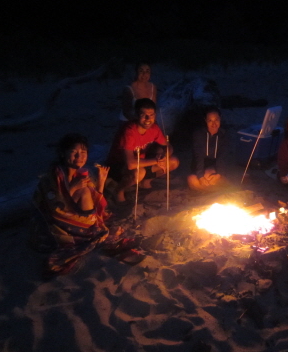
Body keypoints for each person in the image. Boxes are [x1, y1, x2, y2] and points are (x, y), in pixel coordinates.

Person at [31, 133, 144, 277]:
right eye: (74, 152)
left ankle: (92, 229)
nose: (79, 156)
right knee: (85, 194)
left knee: (86, 192)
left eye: (83, 152)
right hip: (57, 221)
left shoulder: (82, 173)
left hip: (79, 217)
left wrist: (102, 180)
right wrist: (73, 187)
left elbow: (96, 202)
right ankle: (92, 231)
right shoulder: (54, 175)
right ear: (63, 154)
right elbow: (54, 206)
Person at [107, 98, 179, 202]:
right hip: (119, 166)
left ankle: (145, 182)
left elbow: (168, 146)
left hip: (142, 163)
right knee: (138, 172)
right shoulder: (129, 131)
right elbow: (130, 164)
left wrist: (164, 156)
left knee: (173, 162)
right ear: (136, 115)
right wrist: (156, 161)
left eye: (151, 115)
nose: (148, 119)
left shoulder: (154, 128)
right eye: (143, 115)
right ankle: (118, 191)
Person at [187, 106, 230, 191]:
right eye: (210, 120)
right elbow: (198, 156)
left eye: (216, 120)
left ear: (220, 119)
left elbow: (222, 156)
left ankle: (208, 190)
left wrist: (219, 174)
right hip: (200, 166)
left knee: (211, 175)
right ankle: (212, 190)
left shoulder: (224, 135)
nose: (214, 124)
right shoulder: (198, 134)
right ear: (205, 120)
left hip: (215, 167)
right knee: (191, 179)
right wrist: (200, 176)